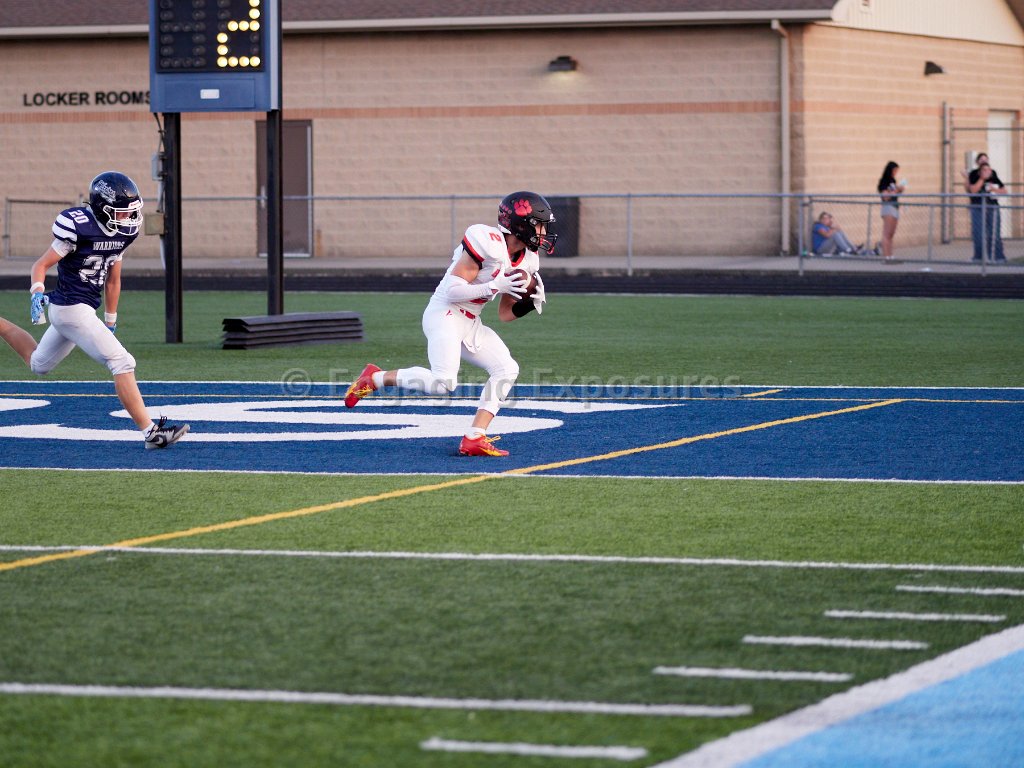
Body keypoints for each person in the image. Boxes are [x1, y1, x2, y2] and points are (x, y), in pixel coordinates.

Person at [344, 191, 553, 456]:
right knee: (443, 382)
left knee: (507, 369)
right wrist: (493, 286)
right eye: (538, 224)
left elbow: (505, 314)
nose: (543, 232)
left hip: (470, 320)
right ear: (520, 224)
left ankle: (474, 437)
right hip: (445, 312)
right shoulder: (487, 241)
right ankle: (374, 378)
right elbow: (453, 291)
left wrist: (528, 303)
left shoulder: (528, 259)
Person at [0, 171, 189, 449]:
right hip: (70, 309)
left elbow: (113, 280)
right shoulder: (78, 227)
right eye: (121, 212)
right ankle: (151, 433)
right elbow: (40, 264)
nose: (128, 217)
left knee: (39, 364)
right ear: (103, 208)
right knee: (122, 362)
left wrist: (110, 320)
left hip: (80, 309)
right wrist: (37, 291)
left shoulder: (123, 232)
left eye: (130, 211)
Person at [964, 152, 1007, 262]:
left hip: (992, 206)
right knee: (978, 233)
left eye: (986, 159)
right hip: (978, 206)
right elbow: (972, 190)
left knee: (994, 233)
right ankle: (978, 257)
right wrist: (982, 178)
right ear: (977, 162)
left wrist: (994, 189)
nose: (984, 161)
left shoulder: (993, 173)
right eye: (981, 159)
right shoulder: (974, 174)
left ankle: (998, 257)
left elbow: (1004, 190)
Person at [876, 161, 905, 263]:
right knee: (886, 234)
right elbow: (885, 197)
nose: (896, 173)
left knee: (891, 234)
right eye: (894, 170)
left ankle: (890, 255)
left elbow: (894, 193)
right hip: (888, 208)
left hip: (895, 207)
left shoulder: (893, 181)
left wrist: (899, 190)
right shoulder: (884, 181)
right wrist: (896, 191)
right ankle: (886, 257)